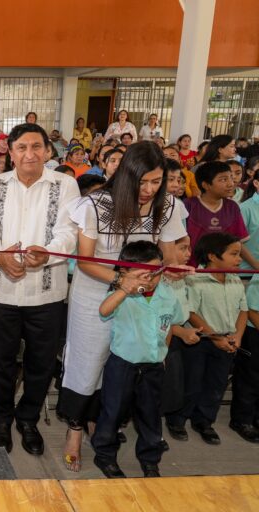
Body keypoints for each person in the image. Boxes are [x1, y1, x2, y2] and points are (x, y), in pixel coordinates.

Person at [59, 141, 187, 472]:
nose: (148, 190)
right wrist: (122, 282)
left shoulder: (168, 206)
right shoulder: (95, 204)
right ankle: (75, 428)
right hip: (96, 292)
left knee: (124, 366)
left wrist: (175, 267)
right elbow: (86, 261)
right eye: (141, 182)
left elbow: (169, 253)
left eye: (156, 182)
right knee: (89, 363)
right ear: (125, 175)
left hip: (140, 299)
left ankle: (102, 424)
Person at [0, 123, 80, 454]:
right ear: (10, 152)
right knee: (0, 361)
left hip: (46, 294)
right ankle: (2, 419)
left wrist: (48, 254)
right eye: (21, 147)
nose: (29, 154)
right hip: (2, 290)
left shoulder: (65, 185)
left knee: (42, 363)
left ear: (49, 151)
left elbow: (69, 233)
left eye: (37, 147)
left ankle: (28, 419)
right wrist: (1, 257)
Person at [92, 241, 185, 479]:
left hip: (153, 366)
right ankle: (104, 455)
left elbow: (170, 324)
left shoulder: (168, 295)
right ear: (124, 272)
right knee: (112, 412)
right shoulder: (122, 295)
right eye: (142, 274)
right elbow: (104, 311)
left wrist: (162, 351)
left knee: (150, 414)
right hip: (123, 364)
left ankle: (150, 458)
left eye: (155, 272)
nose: (150, 279)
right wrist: (125, 289)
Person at [166, 233, 247, 446]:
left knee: (216, 385)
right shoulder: (196, 279)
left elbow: (243, 310)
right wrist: (214, 336)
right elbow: (191, 313)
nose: (239, 259)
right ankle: (178, 419)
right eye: (234, 254)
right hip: (200, 341)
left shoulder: (235, 279)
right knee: (191, 383)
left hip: (226, 341)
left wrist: (237, 336)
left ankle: (204, 421)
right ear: (212, 256)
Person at [184, 161, 252, 268]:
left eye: (230, 177)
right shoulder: (188, 205)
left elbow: (238, 242)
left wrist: (256, 265)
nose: (231, 183)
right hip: (192, 270)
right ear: (206, 185)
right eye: (223, 179)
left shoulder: (232, 207)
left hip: (223, 271)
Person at [234, 274, 259, 442]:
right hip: (255, 333)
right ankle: (242, 421)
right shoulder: (257, 279)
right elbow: (251, 310)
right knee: (250, 379)